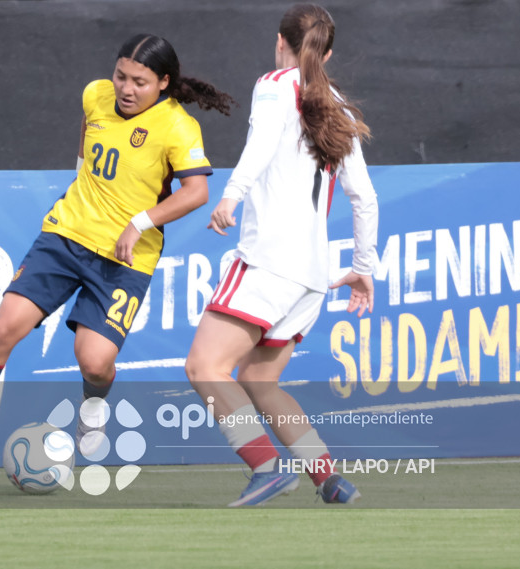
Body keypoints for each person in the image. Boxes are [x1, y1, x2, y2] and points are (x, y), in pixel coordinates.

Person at [0, 33, 235, 481]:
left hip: (125, 257)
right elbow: (89, 129)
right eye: (121, 76)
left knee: (94, 362)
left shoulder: (177, 127)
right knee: (2, 328)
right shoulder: (96, 95)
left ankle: (93, 404)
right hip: (65, 235)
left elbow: (197, 192)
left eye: (140, 81)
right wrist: (81, 176)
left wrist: (140, 222)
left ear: (164, 83)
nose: (125, 89)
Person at [185, 3, 378, 506]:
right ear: (328, 53)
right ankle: (330, 480)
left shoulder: (275, 82)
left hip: (270, 260)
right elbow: (364, 197)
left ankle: (268, 468)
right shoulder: (336, 103)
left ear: (279, 42)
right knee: (259, 380)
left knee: (205, 366)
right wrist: (362, 270)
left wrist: (231, 194)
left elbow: (264, 143)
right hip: (311, 275)